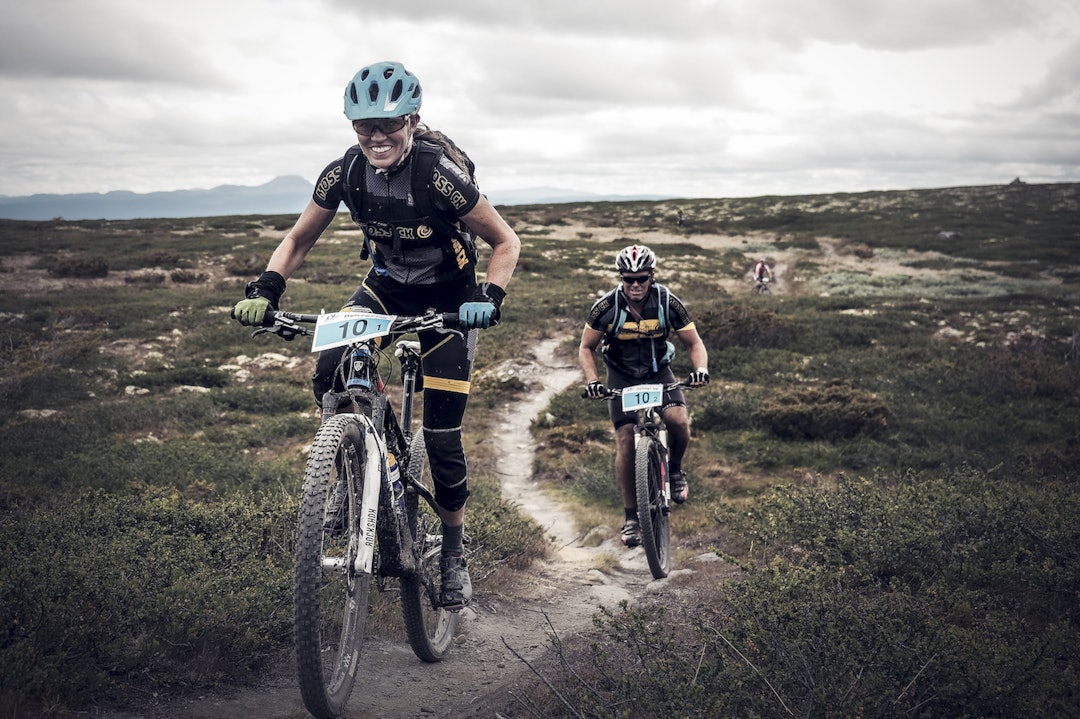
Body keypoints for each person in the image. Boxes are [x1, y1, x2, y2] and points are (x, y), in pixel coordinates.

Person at [232, 61, 521, 609]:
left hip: (450, 303)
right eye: (363, 126)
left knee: (441, 438)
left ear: (412, 120)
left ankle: (454, 555)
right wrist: (266, 288)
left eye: (387, 125)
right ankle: (345, 467)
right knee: (330, 365)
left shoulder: (438, 172)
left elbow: (506, 242)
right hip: (386, 289)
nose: (376, 136)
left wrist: (489, 298)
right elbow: (297, 239)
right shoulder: (344, 172)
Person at [577, 245, 709, 548]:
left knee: (678, 420)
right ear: (621, 278)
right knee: (625, 440)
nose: (635, 285)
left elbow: (694, 342)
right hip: (621, 375)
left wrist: (700, 369)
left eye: (641, 279)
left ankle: (674, 471)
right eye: (628, 279)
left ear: (651, 276)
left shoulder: (667, 301)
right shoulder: (606, 306)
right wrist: (593, 381)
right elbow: (586, 347)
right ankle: (632, 518)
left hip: (658, 372)